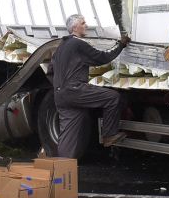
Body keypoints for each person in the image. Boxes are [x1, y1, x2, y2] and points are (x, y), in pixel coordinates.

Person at [51, 13, 130, 157]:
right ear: (75, 27)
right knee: (112, 97)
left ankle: (62, 170)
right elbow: (102, 58)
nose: (86, 25)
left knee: (68, 134)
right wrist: (121, 45)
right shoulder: (78, 44)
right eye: (83, 23)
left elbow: (51, 69)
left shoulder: (60, 47)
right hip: (75, 90)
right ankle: (109, 135)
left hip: (59, 95)